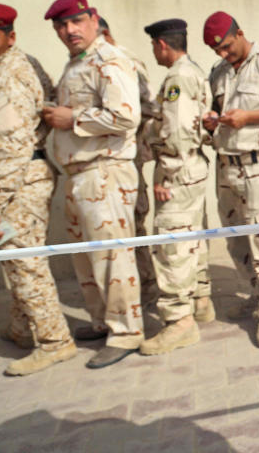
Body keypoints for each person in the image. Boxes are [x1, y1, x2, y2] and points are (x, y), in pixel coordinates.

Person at [43, 0, 143, 368]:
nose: (69, 31)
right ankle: (103, 322)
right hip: (80, 173)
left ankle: (126, 332)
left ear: (93, 19)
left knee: (110, 256)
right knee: (87, 260)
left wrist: (75, 119)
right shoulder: (77, 62)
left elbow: (125, 116)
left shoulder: (109, 59)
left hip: (104, 171)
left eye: (75, 22)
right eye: (61, 26)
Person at [0, 3, 76, 376]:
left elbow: (9, 148)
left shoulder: (8, 75)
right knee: (14, 258)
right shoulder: (11, 64)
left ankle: (55, 342)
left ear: (10, 37)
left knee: (26, 263)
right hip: (23, 175)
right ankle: (23, 328)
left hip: (18, 180)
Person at [202, 11, 259, 348]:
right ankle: (256, 294)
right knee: (236, 237)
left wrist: (248, 117)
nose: (223, 55)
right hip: (225, 165)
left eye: (227, 47)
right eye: (218, 52)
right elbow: (216, 110)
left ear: (240, 33)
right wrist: (214, 121)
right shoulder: (218, 72)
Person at [139, 19, 215, 355]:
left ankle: (178, 323)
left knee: (172, 246)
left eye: (154, 46)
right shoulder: (193, 71)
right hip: (191, 168)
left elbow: (178, 132)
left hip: (178, 170)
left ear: (162, 45)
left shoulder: (178, 77)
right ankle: (201, 300)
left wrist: (166, 176)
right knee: (191, 237)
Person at [98, 16, 159, 305]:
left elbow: (147, 111)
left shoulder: (125, 61)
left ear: (105, 33)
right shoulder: (87, 63)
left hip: (125, 159)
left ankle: (145, 287)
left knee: (134, 226)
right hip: (99, 165)